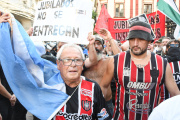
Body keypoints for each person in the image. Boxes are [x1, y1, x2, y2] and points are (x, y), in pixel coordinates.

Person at [100, 21, 180, 120]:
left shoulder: (162, 64)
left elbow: (176, 96)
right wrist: (104, 112)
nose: (135, 43)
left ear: (149, 41)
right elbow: (102, 87)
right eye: (132, 39)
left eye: (141, 39)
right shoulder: (115, 61)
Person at [53, 43, 111, 119]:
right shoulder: (49, 87)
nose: (73, 64)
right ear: (58, 64)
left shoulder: (93, 87)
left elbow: (104, 118)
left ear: (83, 64)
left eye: (77, 60)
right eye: (67, 60)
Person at [83, 29, 120, 116]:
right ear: (88, 47)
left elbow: (121, 58)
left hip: (106, 104)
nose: (95, 46)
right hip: (87, 104)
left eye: (98, 44)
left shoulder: (108, 61)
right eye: (93, 43)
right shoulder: (83, 63)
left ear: (103, 47)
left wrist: (110, 39)